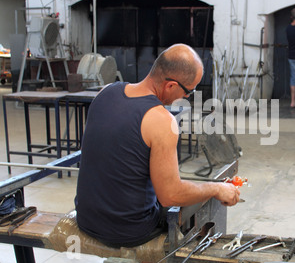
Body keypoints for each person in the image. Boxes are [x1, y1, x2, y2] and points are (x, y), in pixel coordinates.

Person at [75, 44, 240, 249]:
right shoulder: (162, 120)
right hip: (127, 230)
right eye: (188, 92)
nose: (187, 97)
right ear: (170, 86)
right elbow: (170, 195)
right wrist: (217, 188)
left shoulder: (106, 92)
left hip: (86, 219)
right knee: (195, 211)